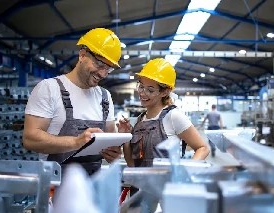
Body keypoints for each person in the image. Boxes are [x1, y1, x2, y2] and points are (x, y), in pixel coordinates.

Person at [23, 28, 122, 175]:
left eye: (108, 69)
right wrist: (76, 142)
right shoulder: (49, 88)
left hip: (93, 187)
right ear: (82, 55)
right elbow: (30, 139)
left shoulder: (105, 97)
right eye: (100, 64)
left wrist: (114, 153)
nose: (102, 73)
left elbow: (110, 142)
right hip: (55, 188)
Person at [117, 58, 210, 167]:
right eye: (141, 87)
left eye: (150, 90)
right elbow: (131, 164)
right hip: (140, 183)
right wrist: (126, 136)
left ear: (165, 92)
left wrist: (184, 173)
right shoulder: (140, 120)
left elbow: (203, 148)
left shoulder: (173, 116)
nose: (142, 93)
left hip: (166, 183)